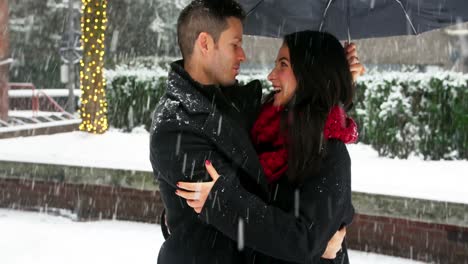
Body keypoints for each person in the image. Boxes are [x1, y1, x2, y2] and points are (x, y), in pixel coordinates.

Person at [150, 0, 364, 263]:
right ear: (205, 43)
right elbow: (235, 208)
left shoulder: (244, 109)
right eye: (235, 44)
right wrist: (316, 246)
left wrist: (335, 83)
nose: (243, 55)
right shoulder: (176, 125)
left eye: (283, 64)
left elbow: (309, 114)